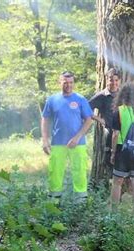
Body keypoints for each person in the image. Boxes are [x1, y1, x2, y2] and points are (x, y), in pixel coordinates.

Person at [41, 71, 93, 201]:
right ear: (60, 82)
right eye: (65, 82)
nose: (68, 85)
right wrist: (45, 140)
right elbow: (45, 119)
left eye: (71, 82)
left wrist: (77, 137)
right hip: (58, 142)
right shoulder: (52, 100)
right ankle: (54, 202)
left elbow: (89, 120)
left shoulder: (80, 99)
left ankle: (80, 202)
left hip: (78, 143)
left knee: (80, 171)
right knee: (55, 172)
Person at [110, 83, 134, 206]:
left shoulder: (119, 111)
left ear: (122, 96)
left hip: (123, 150)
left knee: (117, 182)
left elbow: (115, 134)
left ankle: (113, 212)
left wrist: (113, 152)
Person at [89, 68, 121, 175]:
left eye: (116, 80)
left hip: (124, 133)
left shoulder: (123, 95)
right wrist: (101, 120)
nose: (114, 83)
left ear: (119, 81)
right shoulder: (102, 96)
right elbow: (86, 108)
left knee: (123, 161)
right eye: (111, 80)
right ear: (106, 80)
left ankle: (124, 188)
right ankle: (111, 186)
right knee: (110, 161)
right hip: (110, 133)